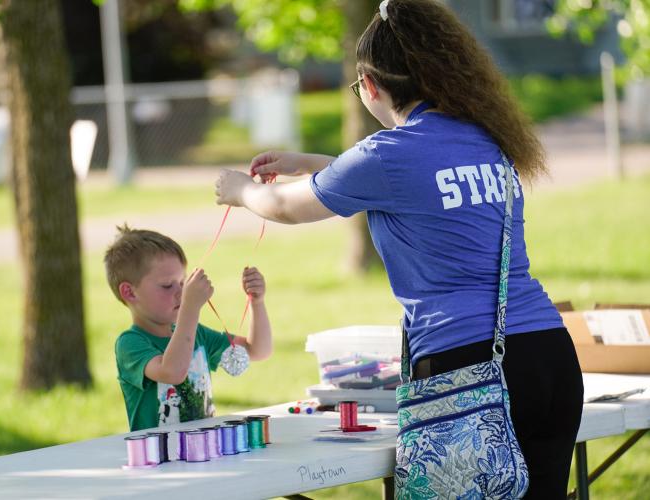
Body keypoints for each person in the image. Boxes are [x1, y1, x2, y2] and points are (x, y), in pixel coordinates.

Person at [215, 0, 583, 496]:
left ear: (370, 86)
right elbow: (406, 182)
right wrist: (308, 161)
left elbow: (282, 205)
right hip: (549, 357)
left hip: (467, 368)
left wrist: (238, 190)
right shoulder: (485, 138)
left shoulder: (388, 157)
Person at [104, 225, 272, 431]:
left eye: (183, 282)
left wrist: (257, 302)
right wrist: (190, 309)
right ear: (129, 292)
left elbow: (258, 351)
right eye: (167, 285)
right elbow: (173, 372)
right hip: (159, 460)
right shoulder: (131, 343)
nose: (181, 293)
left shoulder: (194, 332)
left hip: (204, 454)